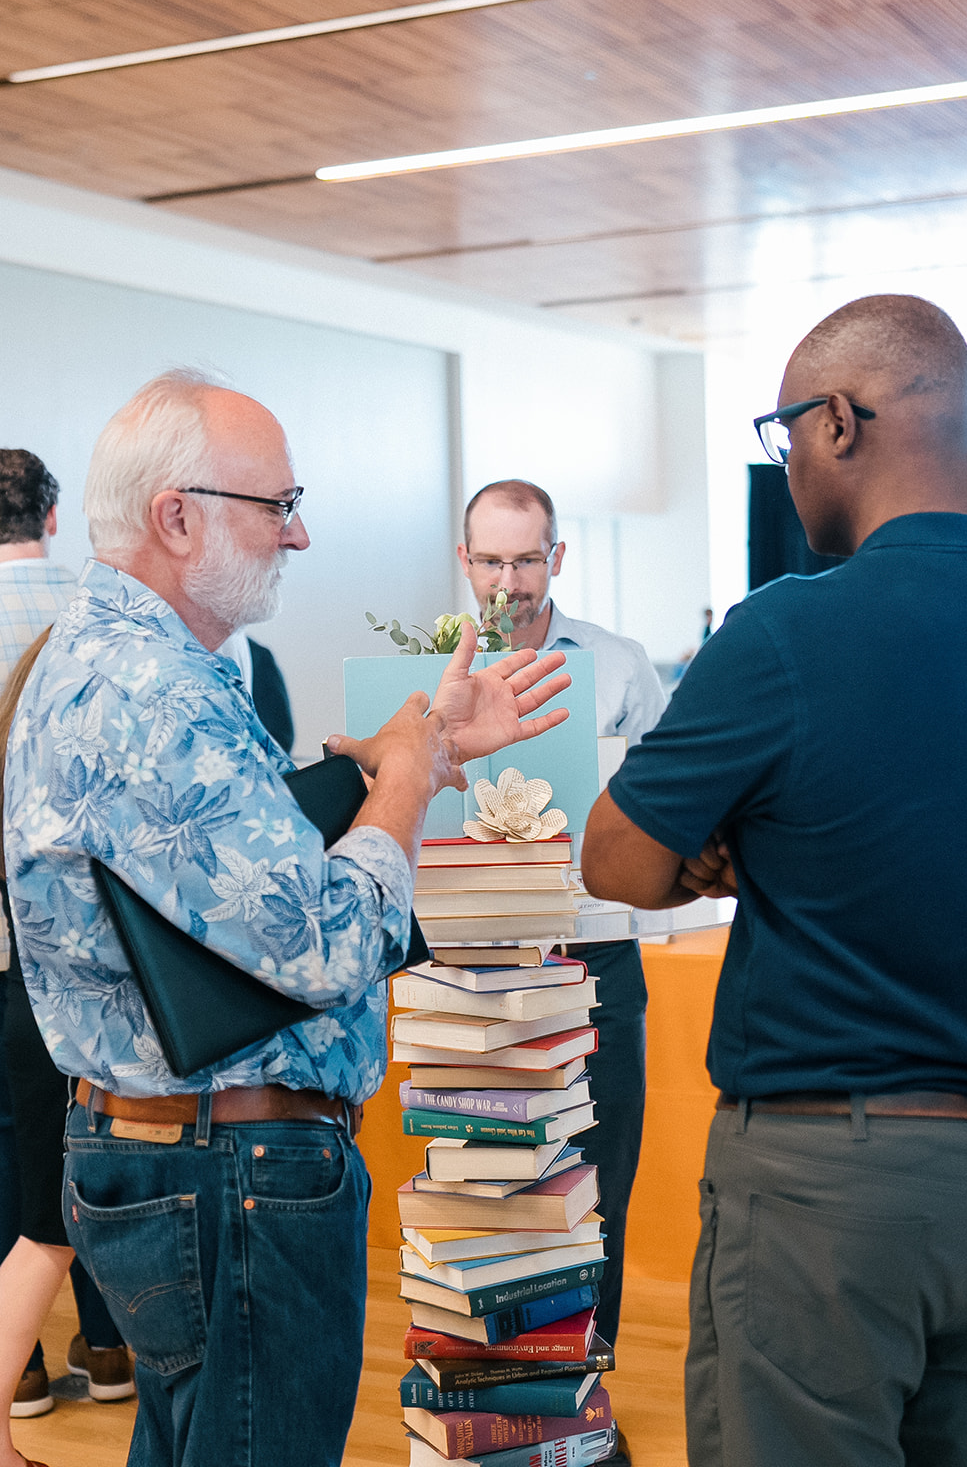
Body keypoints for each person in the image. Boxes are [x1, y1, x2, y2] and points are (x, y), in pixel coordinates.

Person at [3, 373, 570, 1467]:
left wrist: (419, 748)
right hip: (232, 1171)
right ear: (177, 516)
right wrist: (404, 783)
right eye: (278, 505)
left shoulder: (123, 661)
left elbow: (228, 870)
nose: (298, 534)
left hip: (186, 1154)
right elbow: (328, 944)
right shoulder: (157, 691)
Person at [581, 293, 967, 1467]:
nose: (786, 462)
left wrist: (730, 848)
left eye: (784, 431)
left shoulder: (779, 633)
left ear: (839, 422)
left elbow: (615, 858)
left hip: (824, 1188)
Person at [458, 481, 666, 1375]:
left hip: (596, 953)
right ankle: (505, 1378)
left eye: (524, 560)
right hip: (477, 960)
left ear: (556, 558)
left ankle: (582, 1380)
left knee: (598, 1176)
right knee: (492, 1179)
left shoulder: (617, 666)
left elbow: (660, 807)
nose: (507, 582)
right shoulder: (431, 669)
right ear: (464, 560)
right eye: (489, 561)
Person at [0, 452, 133, 1444]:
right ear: (53, 515)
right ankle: (110, 1341)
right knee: (91, 1136)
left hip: (9, 940)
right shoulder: (106, 617)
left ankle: (28, 1370)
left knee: (15, 1149)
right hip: (95, 950)